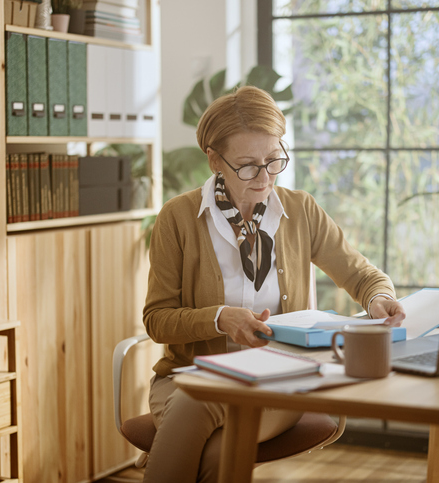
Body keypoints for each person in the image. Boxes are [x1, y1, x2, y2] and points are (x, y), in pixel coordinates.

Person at [142, 85, 406, 483]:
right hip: (188, 375)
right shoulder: (177, 219)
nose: (265, 177)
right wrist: (219, 319)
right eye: (248, 165)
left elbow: (361, 274)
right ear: (215, 159)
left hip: (278, 385)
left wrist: (379, 298)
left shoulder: (300, 211)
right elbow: (157, 319)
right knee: (214, 446)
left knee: (198, 412)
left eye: (274, 159)